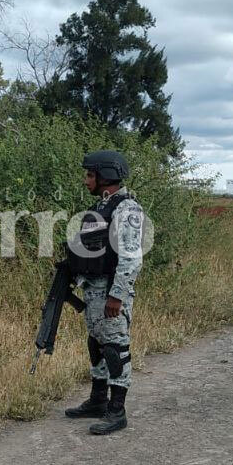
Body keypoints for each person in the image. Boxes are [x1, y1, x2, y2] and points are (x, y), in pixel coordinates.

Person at [63, 150, 144, 435]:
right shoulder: (104, 206)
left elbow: (131, 257)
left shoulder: (127, 209)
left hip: (111, 293)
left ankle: (116, 410)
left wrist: (117, 295)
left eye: (90, 174)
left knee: (115, 348)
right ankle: (97, 400)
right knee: (96, 343)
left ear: (104, 176)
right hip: (94, 290)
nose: (86, 179)